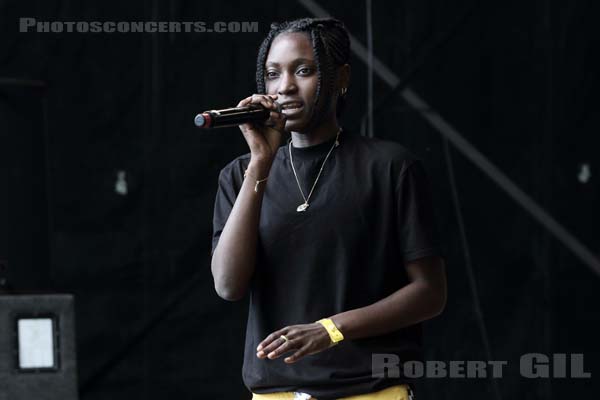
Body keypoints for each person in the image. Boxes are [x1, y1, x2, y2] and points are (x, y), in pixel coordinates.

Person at [211, 17, 447, 400]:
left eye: (303, 71)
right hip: (274, 393)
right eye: (273, 74)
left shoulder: (389, 167)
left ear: (341, 78)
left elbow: (429, 293)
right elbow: (228, 285)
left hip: (368, 391)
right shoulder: (241, 175)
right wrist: (260, 161)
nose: (285, 86)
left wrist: (330, 329)